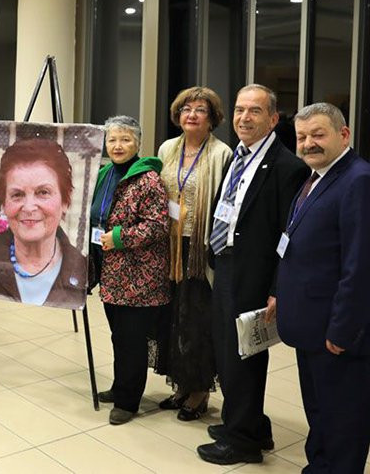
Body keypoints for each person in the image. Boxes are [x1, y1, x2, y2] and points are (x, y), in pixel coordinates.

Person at [197, 84, 308, 465]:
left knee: (244, 358)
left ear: (273, 119)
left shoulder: (287, 167)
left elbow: (288, 235)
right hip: (226, 266)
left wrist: (277, 288)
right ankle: (250, 424)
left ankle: (241, 441)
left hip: (254, 277)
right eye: (241, 110)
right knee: (228, 354)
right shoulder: (238, 156)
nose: (245, 118)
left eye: (255, 111)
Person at [276, 102, 370, 473]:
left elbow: (360, 266)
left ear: (343, 135)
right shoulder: (314, 177)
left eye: (318, 134)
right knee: (320, 410)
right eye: (301, 137)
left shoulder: (358, 180)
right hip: (310, 324)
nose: (308, 143)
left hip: (336, 331)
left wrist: (343, 328)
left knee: (344, 418)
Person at [155, 87, 232, 421]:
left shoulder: (222, 154)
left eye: (200, 110)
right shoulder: (168, 148)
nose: (192, 115)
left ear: (212, 118)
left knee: (197, 320)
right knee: (171, 317)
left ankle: (199, 391)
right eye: (186, 108)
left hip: (199, 248)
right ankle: (181, 385)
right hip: (168, 245)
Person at [88, 115, 170, 425]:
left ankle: (128, 401)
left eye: (125, 139)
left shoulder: (147, 179)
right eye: (112, 139)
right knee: (118, 335)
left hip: (138, 275)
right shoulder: (105, 173)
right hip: (111, 272)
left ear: (137, 142)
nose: (118, 145)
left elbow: (158, 225)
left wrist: (120, 237)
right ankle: (120, 385)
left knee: (132, 339)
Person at [0, 138, 85, 307]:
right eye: (17, 195)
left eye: (43, 192)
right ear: (4, 203)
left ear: (65, 201)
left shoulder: (81, 268)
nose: (28, 207)